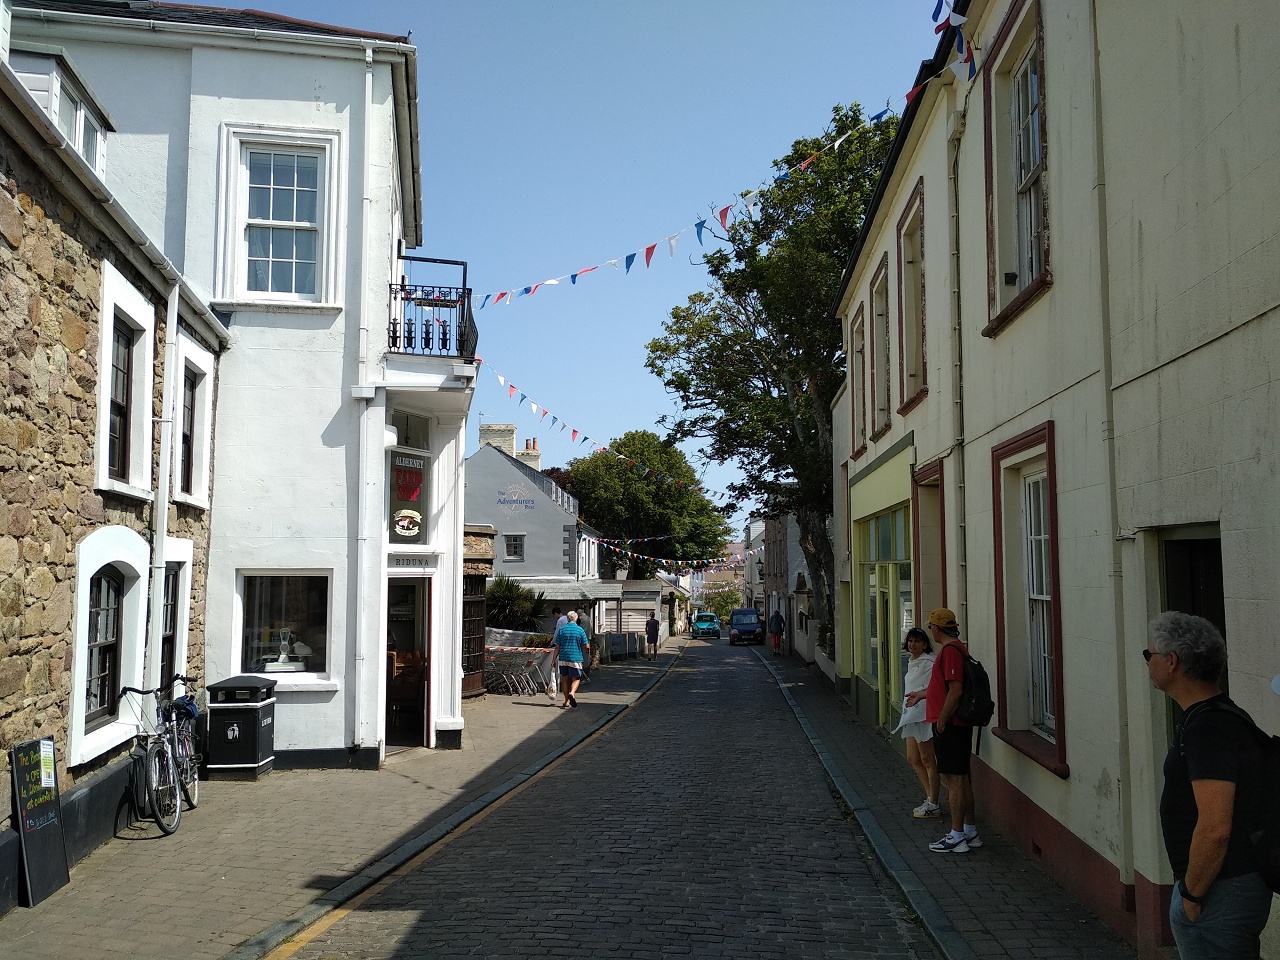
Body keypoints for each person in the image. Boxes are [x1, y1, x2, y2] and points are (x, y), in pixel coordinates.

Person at [1147, 610, 1270, 959]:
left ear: (1171, 661)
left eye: (1149, 655)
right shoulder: (1218, 717)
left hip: (1220, 889)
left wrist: (1190, 896)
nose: (1147, 663)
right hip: (1225, 886)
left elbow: (1216, 827)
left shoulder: (1209, 728)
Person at [924, 607, 981, 853]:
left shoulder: (950, 651)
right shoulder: (958, 648)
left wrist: (942, 720)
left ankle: (956, 834)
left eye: (931, 627)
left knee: (953, 780)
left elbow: (955, 689)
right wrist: (921, 695)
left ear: (937, 628)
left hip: (952, 725)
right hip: (957, 724)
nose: (931, 631)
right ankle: (969, 830)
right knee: (962, 776)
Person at [898, 627, 941, 818]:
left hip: (924, 716)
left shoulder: (930, 663)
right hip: (911, 716)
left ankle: (934, 802)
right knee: (913, 758)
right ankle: (929, 796)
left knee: (927, 760)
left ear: (925, 644)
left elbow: (936, 688)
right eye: (910, 641)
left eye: (917, 641)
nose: (912, 644)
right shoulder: (912, 662)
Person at [549, 611, 590, 709]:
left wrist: (553, 660)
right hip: (575, 658)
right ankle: (572, 693)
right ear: (576, 619)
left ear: (567, 619)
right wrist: (587, 650)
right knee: (576, 678)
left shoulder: (562, 630)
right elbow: (586, 646)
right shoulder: (580, 630)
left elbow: (557, 647)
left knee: (565, 679)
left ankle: (566, 701)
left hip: (563, 657)